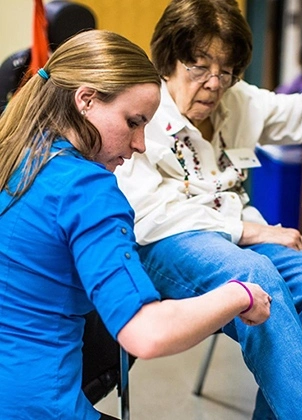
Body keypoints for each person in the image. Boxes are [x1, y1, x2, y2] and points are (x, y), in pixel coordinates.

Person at [114, 1, 302, 419]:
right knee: (253, 276)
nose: (213, 83)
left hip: (232, 241)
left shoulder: (236, 100)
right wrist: (251, 231)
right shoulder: (144, 109)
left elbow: (297, 111)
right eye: (199, 66)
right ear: (169, 60)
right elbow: (151, 217)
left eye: (226, 70)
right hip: (165, 245)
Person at [0, 29, 271, 420]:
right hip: (37, 408)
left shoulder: (17, 153)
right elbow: (146, 334)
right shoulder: (87, 189)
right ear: (86, 100)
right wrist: (239, 294)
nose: (141, 144)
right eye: (133, 122)